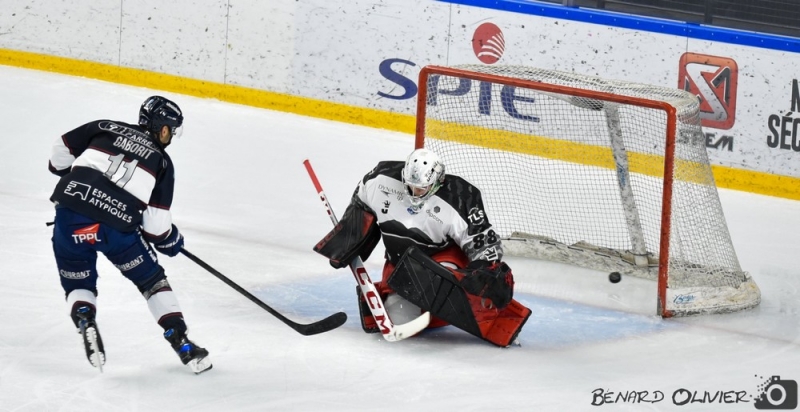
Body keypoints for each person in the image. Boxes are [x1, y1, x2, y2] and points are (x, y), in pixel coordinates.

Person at [47, 96, 211, 374]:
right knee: (152, 281)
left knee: (78, 280)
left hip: (70, 217)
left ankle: (85, 318)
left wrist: (70, 171)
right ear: (161, 128)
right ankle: (181, 342)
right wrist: (171, 241)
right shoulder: (162, 162)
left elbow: (59, 151)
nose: (170, 136)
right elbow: (156, 229)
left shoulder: (103, 126)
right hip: (116, 228)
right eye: (170, 129)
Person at [313, 148, 531, 347]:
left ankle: (458, 308)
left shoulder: (460, 197)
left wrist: (483, 271)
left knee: (436, 287)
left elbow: (485, 243)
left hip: (444, 262)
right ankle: (434, 308)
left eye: (422, 188)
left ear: (438, 182)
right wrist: (349, 237)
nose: (415, 192)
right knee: (398, 323)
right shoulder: (380, 179)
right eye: (411, 185)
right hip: (401, 266)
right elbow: (361, 203)